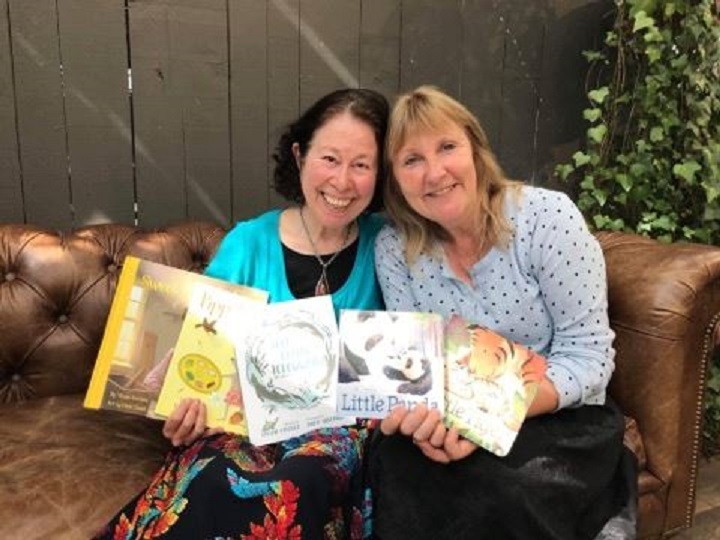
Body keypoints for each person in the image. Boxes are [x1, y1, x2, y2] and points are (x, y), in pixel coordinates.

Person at [94, 88, 389, 540]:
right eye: (330, 159)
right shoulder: (248, 243)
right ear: (299, 156)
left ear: (380, 173)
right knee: (216, 478)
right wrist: (184, 409)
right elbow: (196, 358)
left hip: (335, 437)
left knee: (297, 483)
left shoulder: (389, 246)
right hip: (240, 428)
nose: (343, 181)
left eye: (362, 165)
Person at [370, 85, 637, 539]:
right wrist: (430, 422)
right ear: (395, 179)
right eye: (411, 160)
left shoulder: (547, 218)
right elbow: (417, 372)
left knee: (502, 488)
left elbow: (589, 358)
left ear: (475, 150)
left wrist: (485, 415)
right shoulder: (394, 248)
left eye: (447, 147)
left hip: (555, 414)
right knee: (395, 459)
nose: (434, 172)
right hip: (453, 414)